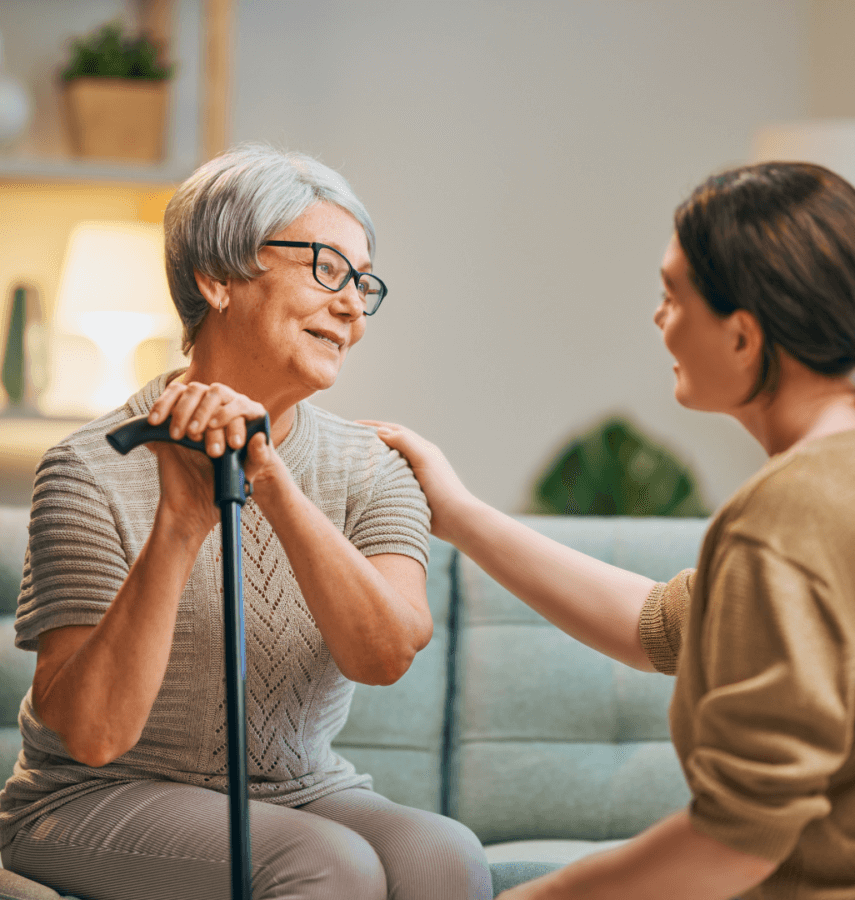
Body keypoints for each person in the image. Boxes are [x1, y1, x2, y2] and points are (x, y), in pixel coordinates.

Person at [364, 161, 855, 899]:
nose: (659, 318)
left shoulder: (800, 508)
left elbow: (736, 839)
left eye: (673, 295)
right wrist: (462, 516)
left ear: (742, 335)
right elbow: (658, 625)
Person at [0, 143, 492, 900]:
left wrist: (272, 478)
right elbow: (94, 736)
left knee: (445, 857)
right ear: (218, 277)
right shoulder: (88, 467)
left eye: (364, 283)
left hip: (299, 788)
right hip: (93, 798)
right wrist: (179, 522)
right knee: (328, 864)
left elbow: (385, 652)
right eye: (327, 268)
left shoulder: (372, 466)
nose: (353, 304)